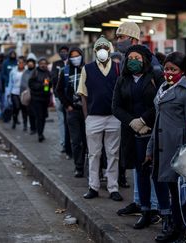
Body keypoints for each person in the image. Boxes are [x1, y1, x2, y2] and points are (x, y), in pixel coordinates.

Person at [146, 51, 186, 242]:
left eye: (173, 69)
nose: (168, 72)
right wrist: (150, 148)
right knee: (173, 194)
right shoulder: (163, 88)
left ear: (183, 71)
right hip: (163, 148)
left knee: (184, 195)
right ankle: (175, 228)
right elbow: (157, 122)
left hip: (179, 152)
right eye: (166, 68)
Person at [112, 45, 164, 229]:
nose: (134, 61)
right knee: (140, 172)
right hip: (132, 132)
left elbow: (161, 101)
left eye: (138, 58)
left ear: (145, 60)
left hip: (153, 130)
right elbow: (116, 107)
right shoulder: (122, 80)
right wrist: (132, 122)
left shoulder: (156, 77)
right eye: (130, 58)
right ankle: (145, 210)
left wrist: (143, 119)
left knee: (156, 172)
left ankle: (162, 210)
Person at [77, 35, 123, 201]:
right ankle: (93, 186)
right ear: (95, 51)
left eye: (105, 47)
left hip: (113, 118)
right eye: (99, 47)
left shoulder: (117, 68)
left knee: (113, 154)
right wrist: (86, 117)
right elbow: (83, 94)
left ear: (109, 50)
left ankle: (113, 188)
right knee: (94, 154)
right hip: (93, 117)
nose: (102, 50)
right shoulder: (87, 69)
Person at [56, 47, 87, 178]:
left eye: (77, 55)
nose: (75, 58)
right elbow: (58, 91)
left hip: (86, 111)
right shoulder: (65, 71)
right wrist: (67, 105)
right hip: (72, 111)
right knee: (76, 140)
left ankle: (91, 166)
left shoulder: (88, 69)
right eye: (72, 56)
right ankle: (78, 167)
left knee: (87, 140)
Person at [51, 45, 70, 154]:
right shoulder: (56, 64)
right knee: (62, 120)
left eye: (65, 51)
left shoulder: (72, 63)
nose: (63, 53)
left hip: (71, 98)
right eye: (61, 51)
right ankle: (63, 143)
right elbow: (53, 78)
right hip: (59, 96)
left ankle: (70, 143)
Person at [28, 57, 52, 142]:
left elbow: (48, 87)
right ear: (39, 64)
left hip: (45, 99)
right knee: (39, 117)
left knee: (43, 117)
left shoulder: (48, 73)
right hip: (36, 98)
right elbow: (31, 84)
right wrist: (42, 84)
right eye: (41, 63)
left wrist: (49, 83)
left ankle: (41, 132)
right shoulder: (35, 72)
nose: (43, 65)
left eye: (45, 63)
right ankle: (40, 134)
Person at [7, 56, 26, 129]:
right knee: (16, 107)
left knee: (24, 109)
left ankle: (25, 125)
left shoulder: (26, 71)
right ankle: (14, 122)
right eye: (19, 62)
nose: (20, 64)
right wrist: (8, 92)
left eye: (22, 62)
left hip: (24, 93)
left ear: (24, 63)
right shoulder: (13, 71)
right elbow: (10, 83)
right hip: (14, 92)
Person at [21, 55, 37, 133]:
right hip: (27, 95)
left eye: (32, 63)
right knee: (29, 112)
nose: (30, 65)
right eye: (29, 64)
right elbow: (23, 83)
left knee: (37, 113)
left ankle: (37, 128)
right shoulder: (25, 73)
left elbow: (46, 83)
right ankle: (31, 127)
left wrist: (45, 90)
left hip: (37, 95)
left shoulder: (37, 72)